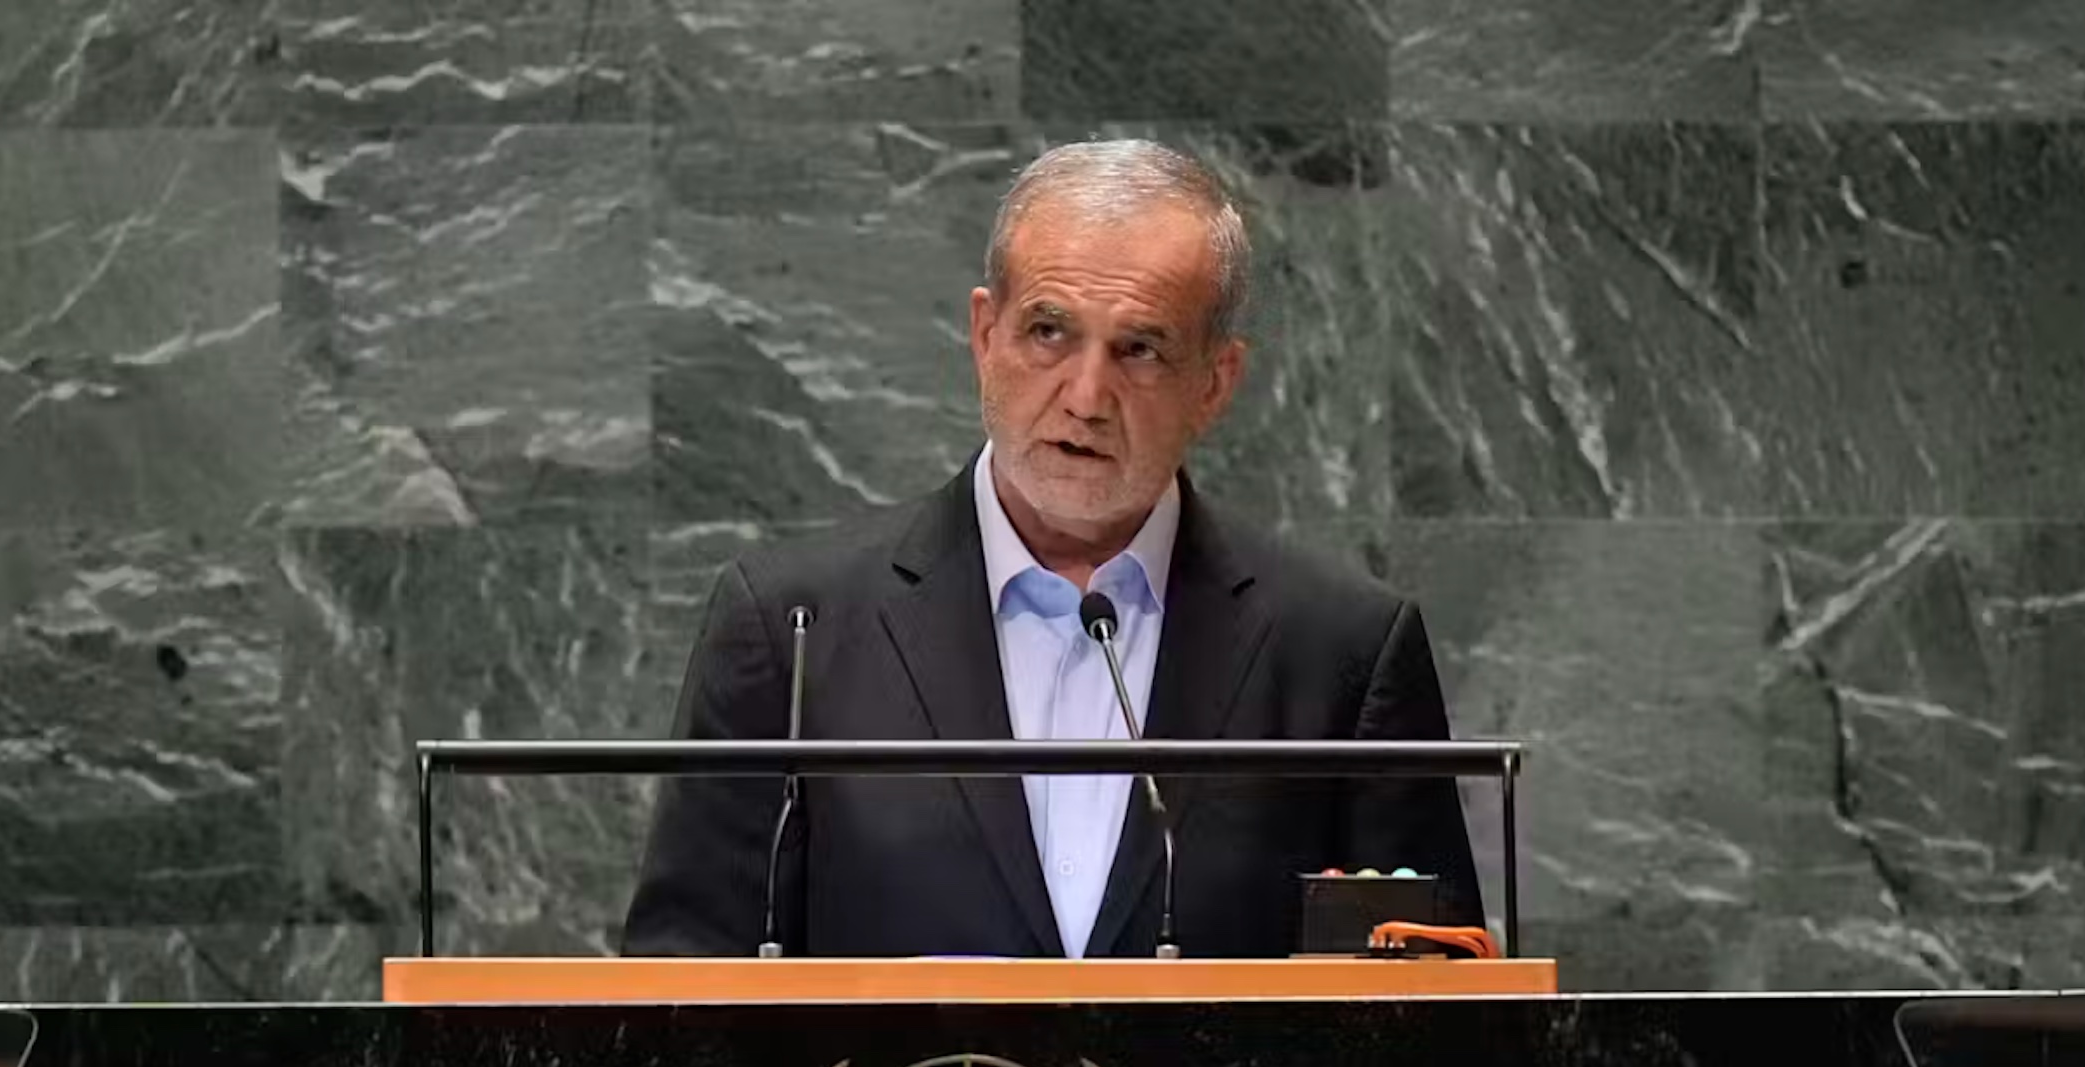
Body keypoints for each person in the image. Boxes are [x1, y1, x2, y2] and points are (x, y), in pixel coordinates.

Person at [623, 139, 1480, 959]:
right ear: (984, 334)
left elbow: (1429, 1023)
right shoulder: (791, 631)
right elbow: (678, 998)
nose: (1086, 396)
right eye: (1049, 332)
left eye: (1139, 349)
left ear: (1214, 384)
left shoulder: (1342, 653)